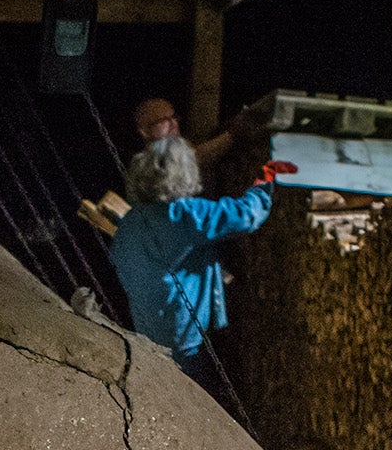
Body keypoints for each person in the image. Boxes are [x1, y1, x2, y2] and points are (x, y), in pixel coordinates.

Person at [107, 137, 280, 386]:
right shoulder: (182, 214)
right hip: (188, 343)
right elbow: (246, 215)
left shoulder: (131, 221)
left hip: (148, 336)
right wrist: (267, 178)